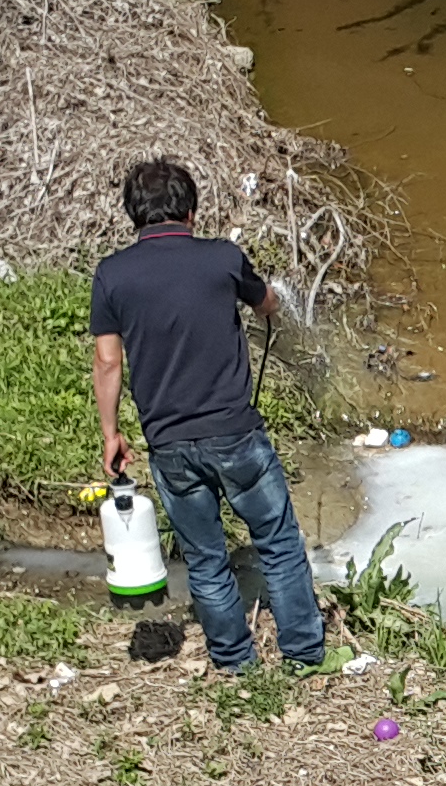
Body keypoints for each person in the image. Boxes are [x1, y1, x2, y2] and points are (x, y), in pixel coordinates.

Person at [89, 157, 327, 675]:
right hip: (237, 437)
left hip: (170, 445)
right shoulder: (222, 258)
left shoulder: (112, 276)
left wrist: (111, 434)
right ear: (191, 212)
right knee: (279, 543)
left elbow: (108, 360)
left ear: (136, 217)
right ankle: (305, 656)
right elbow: (266, 301)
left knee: (205, 557)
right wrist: (267, 307)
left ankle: (234, 662)